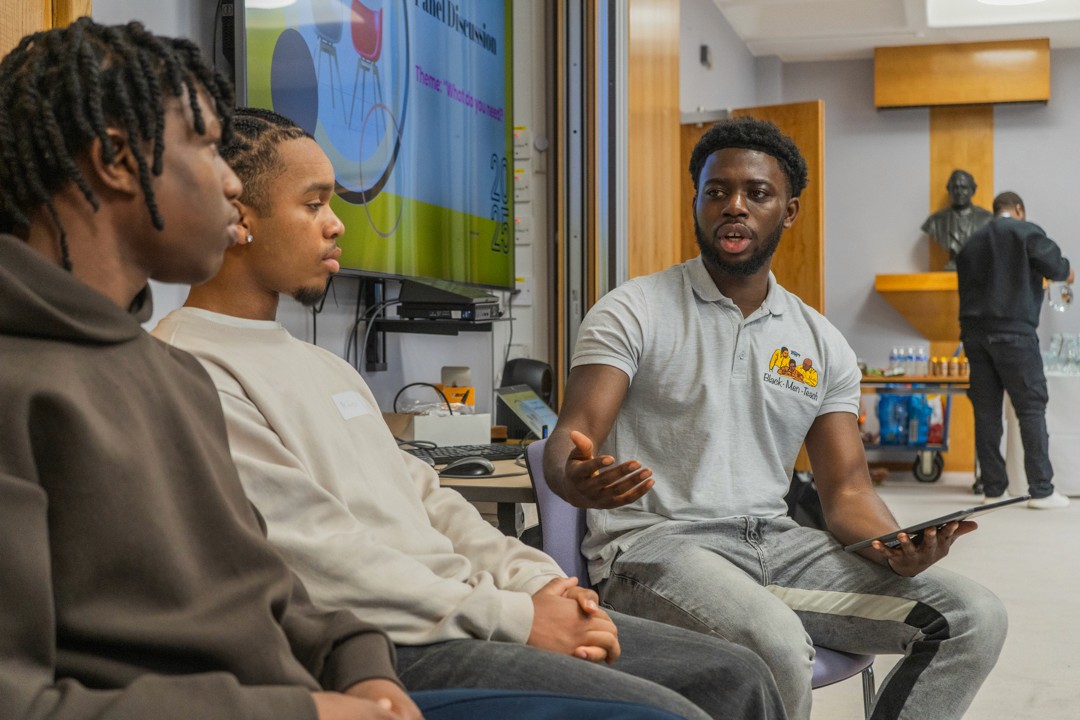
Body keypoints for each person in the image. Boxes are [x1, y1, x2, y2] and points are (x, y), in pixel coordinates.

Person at [0, 19, 682, 720]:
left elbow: (265, 588)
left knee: (724, 678)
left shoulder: (157, 373)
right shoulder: (107, 372)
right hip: (321, 680)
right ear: (117, 158)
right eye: (207, 148)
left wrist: (360, 671)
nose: (231, 184)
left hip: (335, 672)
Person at [151, 107, 787, 720]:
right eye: (314, 203)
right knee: (669, 712)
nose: (336, 223)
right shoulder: (189, 368)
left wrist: (540, 584)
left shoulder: (322, 366)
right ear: (239, 216)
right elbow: (319, 561)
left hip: (471, 609)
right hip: (389, 643)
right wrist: (515, 617)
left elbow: (428, 498)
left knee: (738, 674)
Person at [543, 116, 1009, 720]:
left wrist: (892, 547)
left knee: (974, 617)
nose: (734, 206)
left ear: (788, 212)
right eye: (717, 192)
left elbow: (845, 490)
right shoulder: (634, 310)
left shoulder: (821, 339)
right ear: (697, 203)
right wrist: (573, 478)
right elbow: (567, 441)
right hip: (656, 552)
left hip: (777, 546)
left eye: (757, 193)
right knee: (778, 644)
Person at [956, 191, 1073, 509]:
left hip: (975, 336)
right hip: (1015, 334)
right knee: (1031, 408)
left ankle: (993, 489)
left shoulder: (972, 241)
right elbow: (1057, 267)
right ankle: (1042, 491)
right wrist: (1066, 271)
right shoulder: (1026, 232)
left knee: (986, 412)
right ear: (1019, 209)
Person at [921, 169, 993, 270]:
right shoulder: (935, 221)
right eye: (955, 188)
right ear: (949, 190)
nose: (959, 192)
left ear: (972, 190)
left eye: (964, 188)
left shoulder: (987, 219)